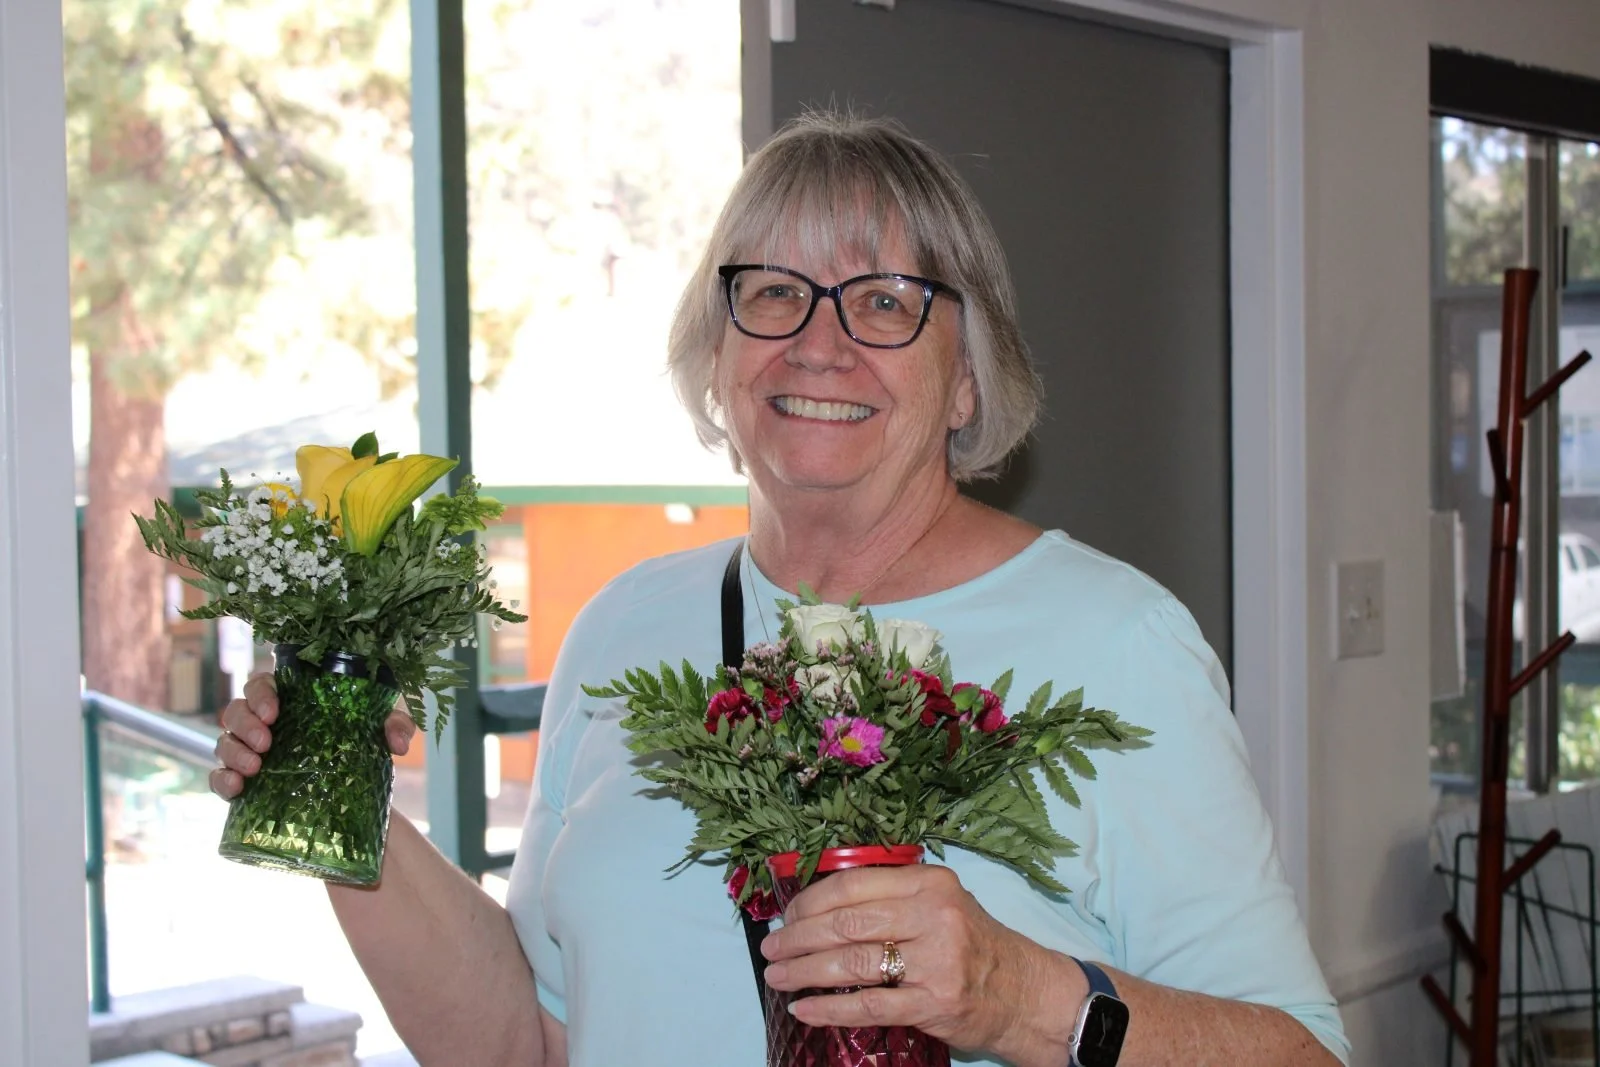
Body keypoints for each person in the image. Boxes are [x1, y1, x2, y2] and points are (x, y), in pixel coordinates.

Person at [214, 112, 1349, 1066]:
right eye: (773, 292)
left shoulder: (1115, 639)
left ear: (967, 377)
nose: (819, 344)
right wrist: (341, 804)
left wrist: (1014, 990)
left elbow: (1305, 1053)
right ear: (717, 353)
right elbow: (531, 1037)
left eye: (887, 300)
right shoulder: (624, 627)